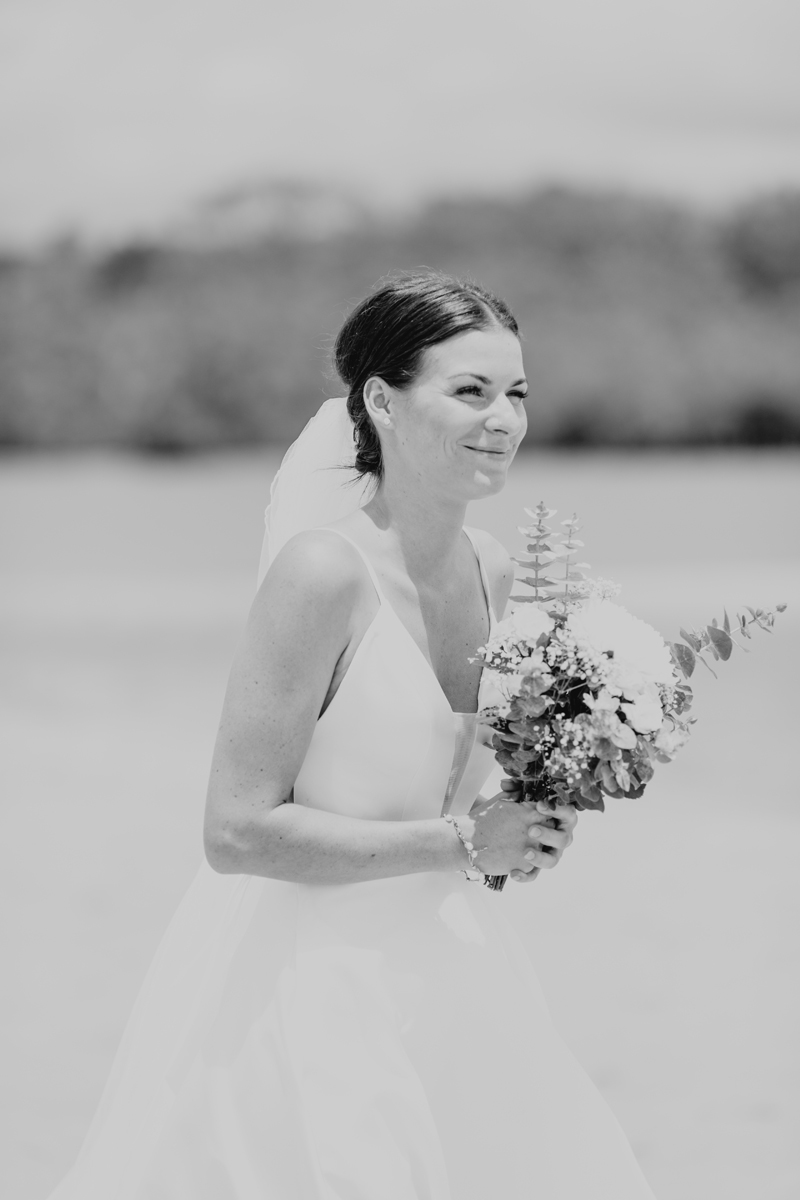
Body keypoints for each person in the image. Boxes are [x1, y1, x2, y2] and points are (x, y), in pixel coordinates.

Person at [49, 272, 657, 1198]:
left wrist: (535, 813)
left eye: (517, 394)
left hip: (453, 970)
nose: (504, 420)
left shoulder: (494, 572)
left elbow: (452, 788)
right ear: (381, 400)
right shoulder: (321, 575)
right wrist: (459, 842)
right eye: (470, 391)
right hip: (311, 985)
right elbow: (234, 831)